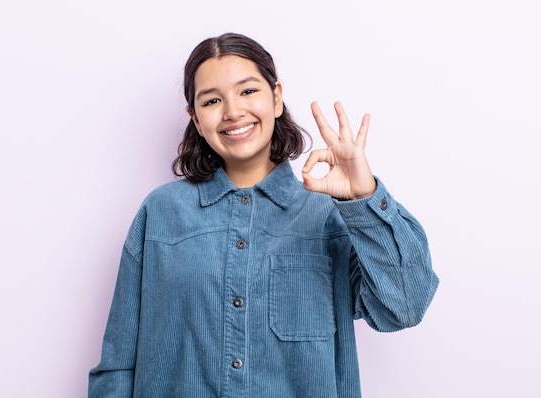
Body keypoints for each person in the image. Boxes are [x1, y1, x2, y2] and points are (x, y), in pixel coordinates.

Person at [88, 32, 439, 398]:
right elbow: (118, 363)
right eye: (211, 100)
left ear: (276, 98)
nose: (233, 111)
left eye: (248, 91)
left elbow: (405, 306)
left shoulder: (327, 218)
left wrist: (365, 198)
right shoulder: (160, 214)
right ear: (195, 117)